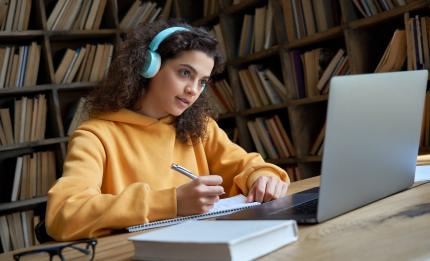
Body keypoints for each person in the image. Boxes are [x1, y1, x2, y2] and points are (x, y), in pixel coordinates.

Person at [45, 20, 290, 241]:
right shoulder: (95, 136)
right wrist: (170, 202)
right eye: (185, 73)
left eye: (202, 81)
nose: (194, 90)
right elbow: (65, 214)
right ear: (148, 67)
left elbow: (245, 164)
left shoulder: (200, 127)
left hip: (202, 246)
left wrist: (262, 177)